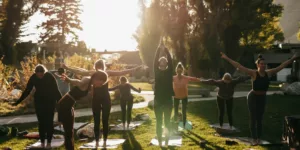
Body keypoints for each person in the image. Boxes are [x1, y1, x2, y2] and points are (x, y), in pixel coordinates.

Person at [220, 52, 299, 145]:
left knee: (260, 118)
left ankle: (259, 137)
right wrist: (226, 58)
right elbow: (239, 66)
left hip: (262, 97)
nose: (263, 65)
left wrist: (292, 59)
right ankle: (254, 138)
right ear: (257, 65)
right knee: (253, 118)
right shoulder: (253, 73)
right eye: (261, 64)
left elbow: (281, 66)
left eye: (264, 64)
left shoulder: (268, 73)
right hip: (253, 97)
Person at [62, 60, 142, 148]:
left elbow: (121, 72)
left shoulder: (107, 73)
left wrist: (133, 69)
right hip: (96, 99)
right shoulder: (93, 74)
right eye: (97, 67)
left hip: (106, 99)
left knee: (105, 120)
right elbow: (81, 71)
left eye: (100, 67)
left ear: (103, 66)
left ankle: (104, 140)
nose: (99, 69)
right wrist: (67, 68)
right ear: (95, 67)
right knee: (96, 121)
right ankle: (96, 141)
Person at [56, 71, 108, 150]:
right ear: (97, 79)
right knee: (68, 133)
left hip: (69, 106)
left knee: (70, 132)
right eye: (101, 83)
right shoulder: (87, 80)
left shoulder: (90, 85)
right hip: (64, 105)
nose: (100, 85)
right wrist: (69, 80)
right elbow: (78, 82)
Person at [13, 65, 62, 148]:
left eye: (41, 75)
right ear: (35, 73)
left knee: (49, 122)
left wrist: (61, 103)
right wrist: (18, 101)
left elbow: (56, 91)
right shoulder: (33, 77)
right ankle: (42, 142)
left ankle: (49, 143)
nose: (39, 76)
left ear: (44, 72)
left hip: (50, 101)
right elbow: (27, 90)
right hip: (39, 101)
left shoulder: (50, 77)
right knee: (41, 123)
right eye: (38, 75)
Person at [153, 42, 174, 147]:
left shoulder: (169, 71)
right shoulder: (156, 71)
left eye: (164, 60)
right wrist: (158, 49)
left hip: (168, 100)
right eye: (160, 60)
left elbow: (170, 61)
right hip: (158, 100)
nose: (162, 60)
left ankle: (166, 142)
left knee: (167, 122)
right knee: (159, 122)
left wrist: (165, 50)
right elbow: (154, 62)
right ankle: (160, 142)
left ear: (166, 63)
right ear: (158, 63)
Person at [173, 62, 201, 128]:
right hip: (176, 96)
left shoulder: (185, 78)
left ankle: (184, 125)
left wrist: (200, 80)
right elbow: (166, 80)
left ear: (182, 70)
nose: (179, 71)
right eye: (178, 70)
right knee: (175, 111)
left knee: (184, 111)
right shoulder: (173, 78)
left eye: (180, 70)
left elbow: (193, 79)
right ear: (176, 70)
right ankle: (174, 125)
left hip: (184, 96)